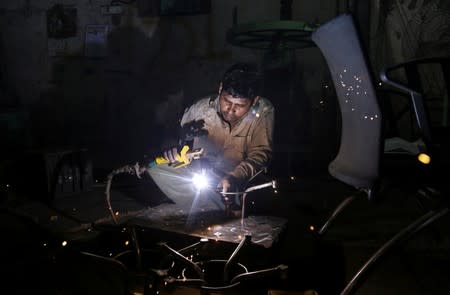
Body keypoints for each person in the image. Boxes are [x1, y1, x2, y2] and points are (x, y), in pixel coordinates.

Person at [145, 62, 274, 216]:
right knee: (155, 168)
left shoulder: (263, 110)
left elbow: (261, 153)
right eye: (227, 101)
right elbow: (174, 137)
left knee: (261, 193)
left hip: (239, 181)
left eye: (240, 105)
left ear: (254, 101)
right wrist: (171, 147)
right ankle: (216, 208)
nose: (231, 109)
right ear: (220, 89)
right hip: (204, 178)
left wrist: (235, 177)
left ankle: (221, 207)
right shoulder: (200, 109)